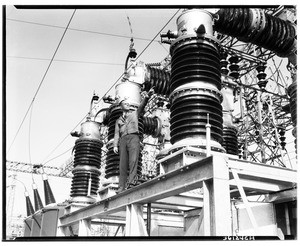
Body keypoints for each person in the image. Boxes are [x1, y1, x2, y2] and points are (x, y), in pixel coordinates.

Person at [113, 88, 154, 193]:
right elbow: (116, 133)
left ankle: (131, 183)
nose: (127, 104)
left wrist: (147, 96)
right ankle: (121, 187)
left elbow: (142, 105)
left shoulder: (134, 113)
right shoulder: (118, 121)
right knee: (122, 164)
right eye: (125, 103)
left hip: (134, 138)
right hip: (123, 140)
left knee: (133, 161)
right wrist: (115, 145)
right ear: (120, 105)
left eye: (128, 103)